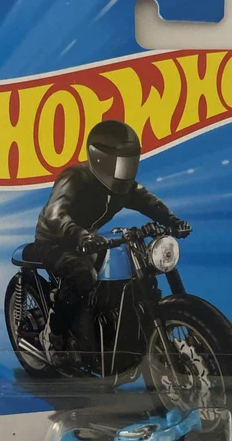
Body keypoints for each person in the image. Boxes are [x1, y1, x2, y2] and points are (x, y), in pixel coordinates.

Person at [29, 120, 192, 360]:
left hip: (87, 239)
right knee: (82, 275)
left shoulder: (124, 189)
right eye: (120, 164)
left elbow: (150, 202)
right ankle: (54, 335)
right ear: (99, 159)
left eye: (130, 163)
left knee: (131, 274)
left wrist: (173, 221)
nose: (125, 171)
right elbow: (55, 214)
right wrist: (80, 235)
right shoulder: (75, 178)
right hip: (54, 240)